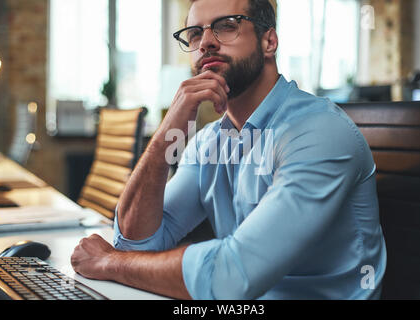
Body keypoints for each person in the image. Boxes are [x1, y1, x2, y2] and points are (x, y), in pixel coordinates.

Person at [71, 0, 386, 300]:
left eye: (226, 26)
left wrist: (108, 263)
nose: (206, 42)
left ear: (269, 42)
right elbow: (136, 245)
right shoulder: (210, 141)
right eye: (195, 33)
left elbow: (231, 276)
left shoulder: (319, 132)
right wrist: (167, 132)